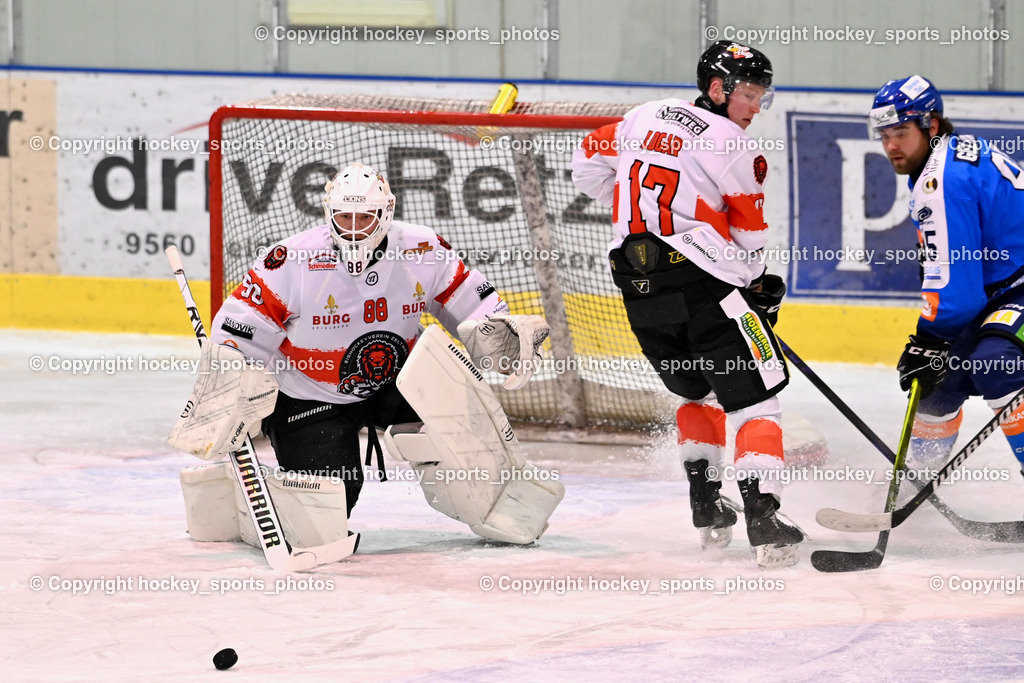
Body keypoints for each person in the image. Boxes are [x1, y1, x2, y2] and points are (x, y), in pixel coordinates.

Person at [168, 162, 556, 551]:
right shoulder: (290, 260)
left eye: (364, 217)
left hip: (395, 383)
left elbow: (471, 303)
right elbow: (239, 329)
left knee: (456, 432)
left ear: (386, 213)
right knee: (329, 505)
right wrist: (227, 386)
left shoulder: (422, 249)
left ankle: (498, 505)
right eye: (344, 216)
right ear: (328, 213)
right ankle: (235, 503)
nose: (353, 226)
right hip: (309, 394)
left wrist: (498, 329)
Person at [571, 41, 801, 568]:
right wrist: (753, 284)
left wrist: (648, 215)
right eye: (747, 94)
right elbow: (749, 236)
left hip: (636, 286)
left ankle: (706, 504)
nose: (753, 106)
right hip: (704, 291)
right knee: (756, 403)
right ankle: (763, 518)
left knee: (696, 393)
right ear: (717, 89)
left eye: (761, 97)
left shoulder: (642, 116)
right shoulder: (732, 145)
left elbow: (586, 164)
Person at [868, 75, 1024, 475]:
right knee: (938, 384)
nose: (891, 146)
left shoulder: (941, 180)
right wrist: (933, 347)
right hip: (1007, 288)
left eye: (901, 132)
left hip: (1014, 288)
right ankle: (918, 483)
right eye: (884, 135)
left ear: (930, 125)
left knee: (996, 363)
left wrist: (927, 339)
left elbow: (958, 297)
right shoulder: (947, 158)